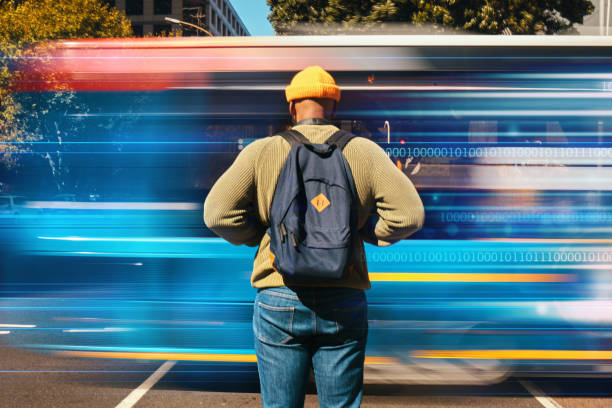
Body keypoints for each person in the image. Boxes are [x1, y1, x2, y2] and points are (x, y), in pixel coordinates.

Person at [204, 66, 424, 408]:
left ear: (292, 108)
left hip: (279, 293)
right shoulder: (364, 152)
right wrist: (361, 229)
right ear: (333, 108)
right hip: (343, 291)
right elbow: (409, 215)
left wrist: (265, 236)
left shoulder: (261, 151)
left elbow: (217, 214)